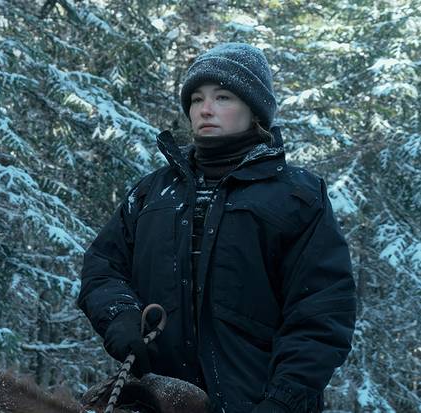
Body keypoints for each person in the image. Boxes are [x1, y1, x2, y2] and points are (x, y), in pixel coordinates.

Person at [77, 43, 356, 413]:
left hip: (258, 402)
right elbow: (102, 266)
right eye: (196, 99)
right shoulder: (152, 192)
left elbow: (322, 310)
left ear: (254, 109)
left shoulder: (298, 197)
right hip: (157, 399)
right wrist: (120, 315)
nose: (205, 110)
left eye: (222, 97)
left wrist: (284, 399)